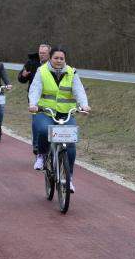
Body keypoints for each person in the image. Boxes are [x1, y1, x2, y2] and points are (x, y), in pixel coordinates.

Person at [28, 47, 91, 193]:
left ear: (65, 60)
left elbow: (79, 90)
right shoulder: (42, 71)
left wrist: (84, 105)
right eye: (56, 58)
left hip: (66, 113)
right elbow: (35, 88)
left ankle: (68, 179)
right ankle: (42, 155)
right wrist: (33, 104)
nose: (59, 61)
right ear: (50, 58)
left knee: (70, 145)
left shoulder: (72, 72)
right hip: (45, 111)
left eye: (62, 58)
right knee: (44, 130)